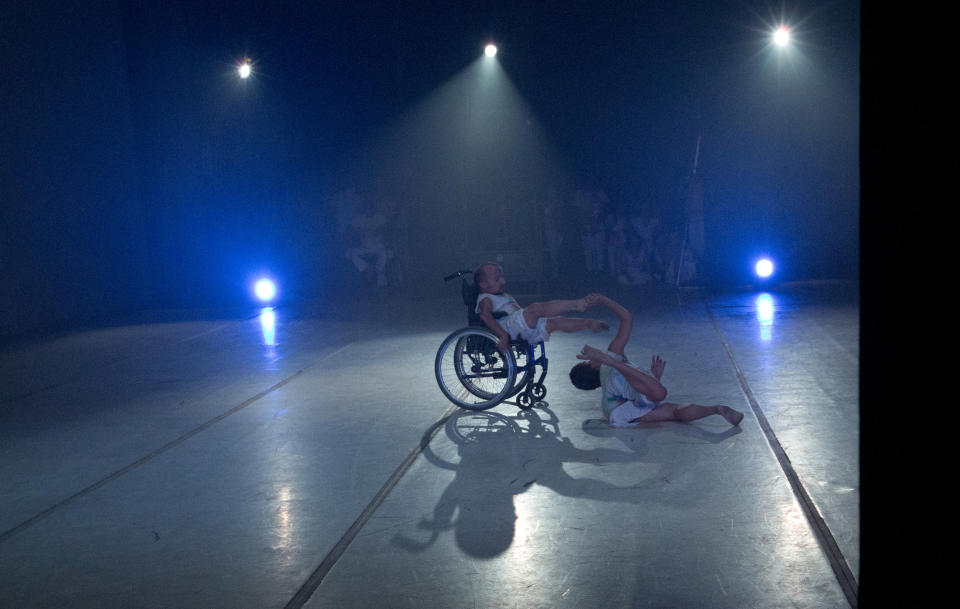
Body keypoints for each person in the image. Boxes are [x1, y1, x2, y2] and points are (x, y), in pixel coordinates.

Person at [569, 294, 744, 427]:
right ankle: (714, 409)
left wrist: (655, 377)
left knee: (672, 410)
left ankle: (716, 409)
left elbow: (639, 395)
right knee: (661, 398)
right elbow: (627, 317)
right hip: (633, 402)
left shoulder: (609, 390)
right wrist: (603, 299)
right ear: (591, 365)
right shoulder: (611, 360)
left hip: (637, 400)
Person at [474, 262, 608, 352]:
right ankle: (578, 304)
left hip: (519, 326)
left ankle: (589, 323)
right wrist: (503, 335)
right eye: (497, 279)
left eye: (502, 277)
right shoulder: (486, 298)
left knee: (556, 322)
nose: (503, 281)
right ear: (483, 285)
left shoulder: (497, 294)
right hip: (508, 328)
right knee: (535, 308)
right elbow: (485, 316)